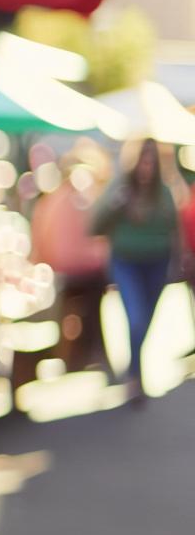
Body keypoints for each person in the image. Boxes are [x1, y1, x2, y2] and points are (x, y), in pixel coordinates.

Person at [93, 137, 185, 401]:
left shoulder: (165, 191)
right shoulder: (119, 188)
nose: (147, 166)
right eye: (143, 160)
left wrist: (179, 259)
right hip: (126, 261)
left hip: (156, 261)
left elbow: (173, 229)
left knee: (145, 320)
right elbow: (95, 225)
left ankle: (134, 369)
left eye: (151, 161)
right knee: (135, 318)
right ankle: (135, 375)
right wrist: (115, 204)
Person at [30, 141, 113, 375]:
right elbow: (89, 241)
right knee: (95, 298)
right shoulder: (78, 199)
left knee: (90, 300)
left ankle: (81, 353)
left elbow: (42, 240)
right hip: (75, 270)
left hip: (59, 269)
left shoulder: (50, 200)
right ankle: (94, 352)